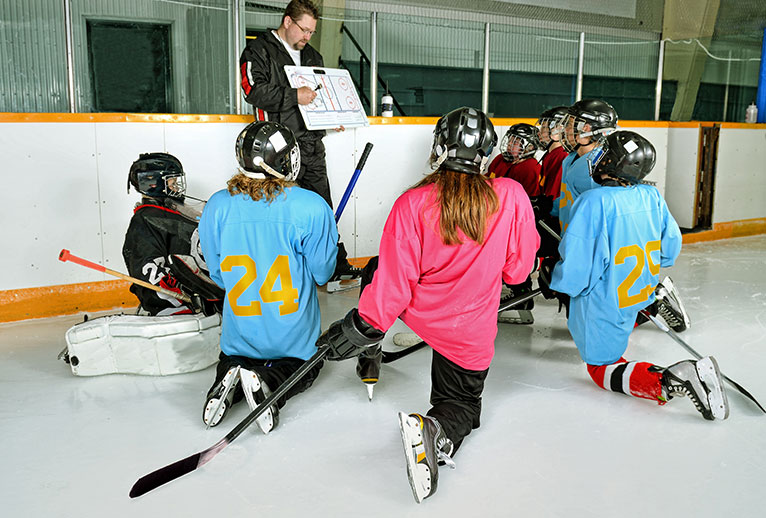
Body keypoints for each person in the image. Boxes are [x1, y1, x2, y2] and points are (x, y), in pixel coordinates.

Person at [317, 107, 539, 503]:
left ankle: (371, 355)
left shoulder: (412, 202)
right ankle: (435, 429)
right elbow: (518, 272)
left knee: (374, 269)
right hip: (468, 328)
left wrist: (362, 328)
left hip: (418, 313)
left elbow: (393, 283)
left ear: (439, 147)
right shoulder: (511, 195)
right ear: (486, 153)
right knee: (462, 405)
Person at [541, 131, 727, 421]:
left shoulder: (593, 202)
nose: (599, 158)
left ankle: (672, 379)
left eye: (605, 155)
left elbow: (576, 273)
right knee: (619, 324)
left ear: (613, 163)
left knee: (600, 367)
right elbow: (670, 250)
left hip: (604, 301)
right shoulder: (651, 195)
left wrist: (555, 280)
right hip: (638, 292)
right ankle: (659, 298)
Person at [197, 121, 338, 433]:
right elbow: (322, 273)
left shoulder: (217, 205)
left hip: (240, 335)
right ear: (287, 160)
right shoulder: (311, 206)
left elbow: (218, 273)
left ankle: (227, 379)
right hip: (293, 338)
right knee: (304, 368)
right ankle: (268, 383)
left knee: (232, 360)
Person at [239, 0, 360, 290]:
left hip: (311, 145)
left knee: (321, 206)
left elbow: (318, 96)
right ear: (287, 21)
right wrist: (295, 95)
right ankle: (277, 265)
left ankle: (333, 263)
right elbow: (252, 90)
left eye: (311, 32)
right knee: (278, 208)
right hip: (275, 149)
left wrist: (330, 119)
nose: (307, 37)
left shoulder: (313, 55)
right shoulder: (259, 49)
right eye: (304, 29)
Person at [123, 152, 208, 316]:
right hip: (175, 308)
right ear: (153, 183)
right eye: (172, 182)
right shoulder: (144, 220)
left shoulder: (170, 211)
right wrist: (187, 298)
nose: (176, 187)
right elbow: (149, 271)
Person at [488, 123, 541, 323]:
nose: (511, 145)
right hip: (494, 219)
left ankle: (522, 295)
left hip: (513, 224)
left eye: (517, 142)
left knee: (515, 254)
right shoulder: (500, 160)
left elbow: (524, 204)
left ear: (529, 146)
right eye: (510, 140)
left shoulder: (529, 167)